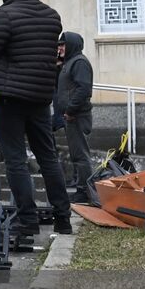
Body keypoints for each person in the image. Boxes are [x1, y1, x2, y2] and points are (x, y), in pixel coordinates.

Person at [0, 0, 71, 237]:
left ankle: (27, 219)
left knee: (15, 160)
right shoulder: (53, 17)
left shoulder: (3, 15)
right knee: (48, 156)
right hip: (40, 98)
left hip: (8, 97)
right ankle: (63, 218)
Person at [54, 32, 95, 193]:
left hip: (77, 115)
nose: (60, 48)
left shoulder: (79, 62)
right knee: (76, 153)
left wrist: (71, 110)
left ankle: (84, 190)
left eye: (63, 45)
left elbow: (83, 89)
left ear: (72, 45)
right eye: (59, 45)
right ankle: (79, 184)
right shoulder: (69, 62)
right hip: (71, 116)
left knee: (81, 155)